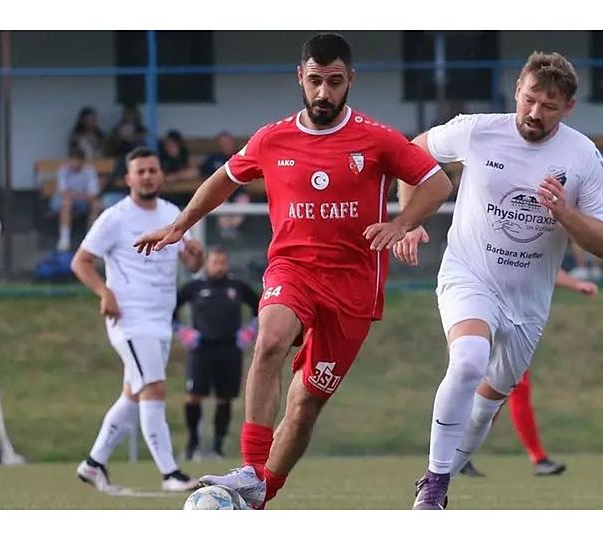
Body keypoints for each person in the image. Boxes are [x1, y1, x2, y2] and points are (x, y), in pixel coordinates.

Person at [133, 33, 453, 509]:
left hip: (353, 289)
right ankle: (248, 465)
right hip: (293, 269)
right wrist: (182, 224)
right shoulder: (272, 138)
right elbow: (224, 179)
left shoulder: (377, 137)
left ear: (350, 81)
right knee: (270, 341)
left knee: (304, 406)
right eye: (316, 81)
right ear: (300, 77)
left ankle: (260, 494)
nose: (324, 93)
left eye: (335, 82)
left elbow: (436, 181)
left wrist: (403, 223)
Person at [393, 50, 603, 510]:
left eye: (549, 106)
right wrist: (409, 219)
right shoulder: (477, 131)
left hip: (528, 301)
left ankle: (440, 482)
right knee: (469, 359)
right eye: (530, 99)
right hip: (469, 274)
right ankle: (432, 489)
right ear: (517, 88)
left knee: (485, 407)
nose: (535, 113)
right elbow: (412, 152)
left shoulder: (583, 156)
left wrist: (564, 213)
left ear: (568, 108)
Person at [71, 147, 206, 493]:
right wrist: (105, 292)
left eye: (152, 170)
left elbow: (191, 265)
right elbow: (81, 261)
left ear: (161, 175)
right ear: (128, 178)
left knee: (133, 395)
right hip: (130, 318)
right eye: (140, 171)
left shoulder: (172, 212)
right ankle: (170, 473)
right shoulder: (115, 217)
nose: (147, 176)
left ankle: (93, 464)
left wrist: (196, 256)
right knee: (154, 388)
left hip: (161, 318)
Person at [459, 269, 598, 479]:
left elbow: (543, 265)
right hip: (487, 316)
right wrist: (575, 284)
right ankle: (535, 457)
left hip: (511, 321)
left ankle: (462, 452)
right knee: (506, 389)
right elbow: (540, 267)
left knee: (501, 391)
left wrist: (574, 284)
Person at [174, 246, 261, 460]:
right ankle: (192, 441)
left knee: (225, 398)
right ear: (207, 264)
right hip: (201, 348)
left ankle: (218, 445)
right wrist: (181, 331)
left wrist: (250, 330)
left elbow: (261, 307)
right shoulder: (194, 287)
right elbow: (169, 310)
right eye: (215, 262)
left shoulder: (237, 287)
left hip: (230, 348)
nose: (219, 266)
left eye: (223, 262)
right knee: (194, 395)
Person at [52, 147, 102, 252]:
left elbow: (93, 193)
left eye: (76, 161)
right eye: (72, 160)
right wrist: (80, 196)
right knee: (66, 203)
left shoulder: (89, 170)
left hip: (82, 200)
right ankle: (64, 240)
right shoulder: (63, 170)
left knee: (96, 204)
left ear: (82, 161)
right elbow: (63, 192)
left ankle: (91, 239)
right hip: (62, 200)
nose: (73, 163)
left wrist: (78, 196)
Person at [201, 131, 250, 239]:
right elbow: (200, 172)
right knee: (221, 201)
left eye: (228, 142)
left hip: (237, 192)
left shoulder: (240, 156)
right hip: (220, 193)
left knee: (243, 199)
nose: (226, 145)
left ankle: (234, 229)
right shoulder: (213, 159)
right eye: (223, 143)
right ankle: (225, 231)